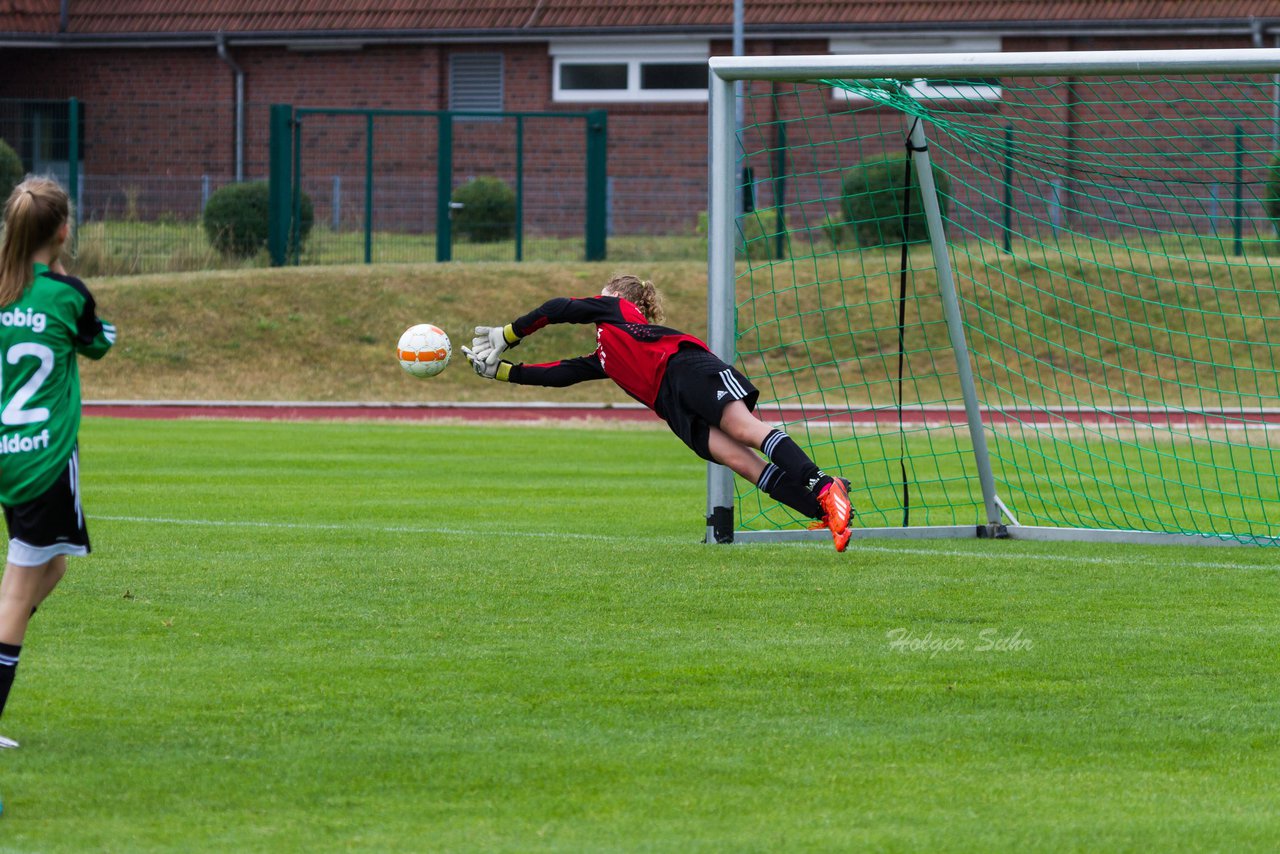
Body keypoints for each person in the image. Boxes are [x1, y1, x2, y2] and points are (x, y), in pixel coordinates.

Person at [462, 273, 853, 550]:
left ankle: (821, 485)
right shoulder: (605, 355)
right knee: (743, 463)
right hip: (673, 408)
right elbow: (561, 374)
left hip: (685, 368)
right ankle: (824, 507)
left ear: (619, 298)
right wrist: (502, 372)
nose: (595, 303)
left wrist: (509, 334)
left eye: (601, 296)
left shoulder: (615, 310)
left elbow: (558, 307)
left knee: (747, 430)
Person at [0, 177, 116, 750]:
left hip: (7, 456)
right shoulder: (67, 295)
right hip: (44, 460)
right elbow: (99, 343)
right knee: (19, 593)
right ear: (64, 230)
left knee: (51, 569)